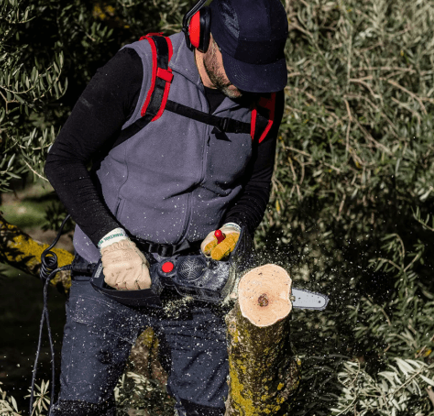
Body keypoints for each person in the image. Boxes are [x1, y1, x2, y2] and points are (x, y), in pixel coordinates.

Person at [44, 0, 288, 414]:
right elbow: (63, 159)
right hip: (113, 271)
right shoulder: (141, 69)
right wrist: (112, 241)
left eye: (258, 72)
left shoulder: (263, 98)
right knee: (80, 407)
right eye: (238, 67)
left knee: (205, 409)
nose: (247, 84)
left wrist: (235, 227)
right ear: (202, 31)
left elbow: (257, 183)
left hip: (197, 280)